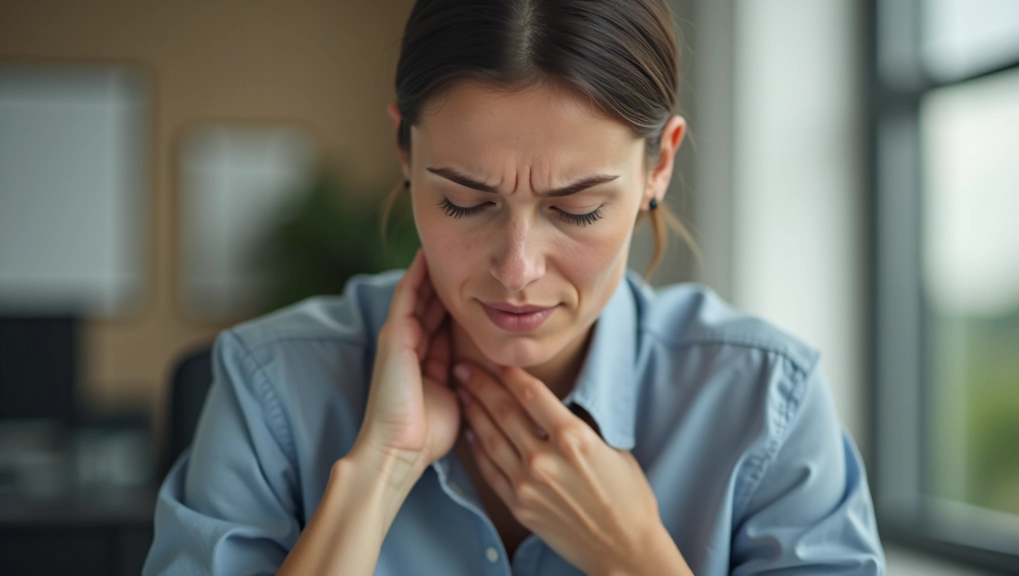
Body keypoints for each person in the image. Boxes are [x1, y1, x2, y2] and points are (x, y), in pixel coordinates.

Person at [143, 0, 885, 574]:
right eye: (466, 201)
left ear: (659, 166)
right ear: (405, 147)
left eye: (578, 208)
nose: (518, 268)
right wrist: (379, 473)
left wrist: (635, 558)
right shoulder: (272, 385)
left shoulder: (767, 404)